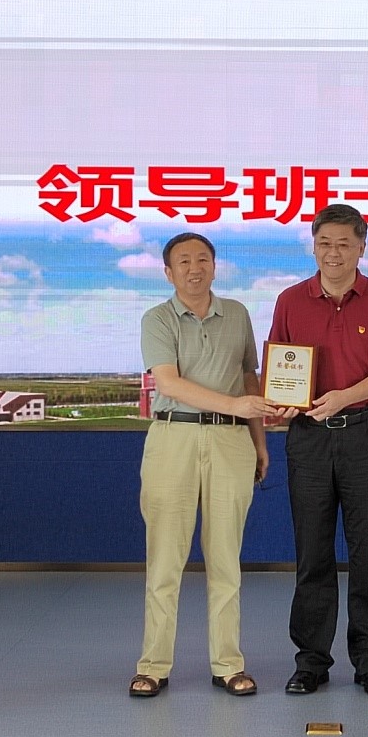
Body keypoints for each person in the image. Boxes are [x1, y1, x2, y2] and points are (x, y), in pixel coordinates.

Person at [268, 204, 368, 697]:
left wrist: (344, 397)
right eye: (324, 243)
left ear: (361, 247)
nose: (333, 253)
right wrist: (282, 402)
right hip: (308, 437)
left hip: (364, 434)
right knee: (312, 552)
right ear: (313, 245)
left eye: (344, 244)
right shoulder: (291, 300)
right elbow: (280, 367)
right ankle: (311, 661)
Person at [130, 232, 277, 698]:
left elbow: (249, 378)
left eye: (202, 259)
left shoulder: (237, 314)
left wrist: (259, 441)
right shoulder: (157, 319)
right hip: (173, 437)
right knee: (165, 560)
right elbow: (169, 384)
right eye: (184, 261)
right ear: (168, 272)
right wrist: (237, 406)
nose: (194, 268)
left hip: (232, 441)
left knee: (226, 559)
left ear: (215, 266)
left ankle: (228, 664)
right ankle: (153, 665)